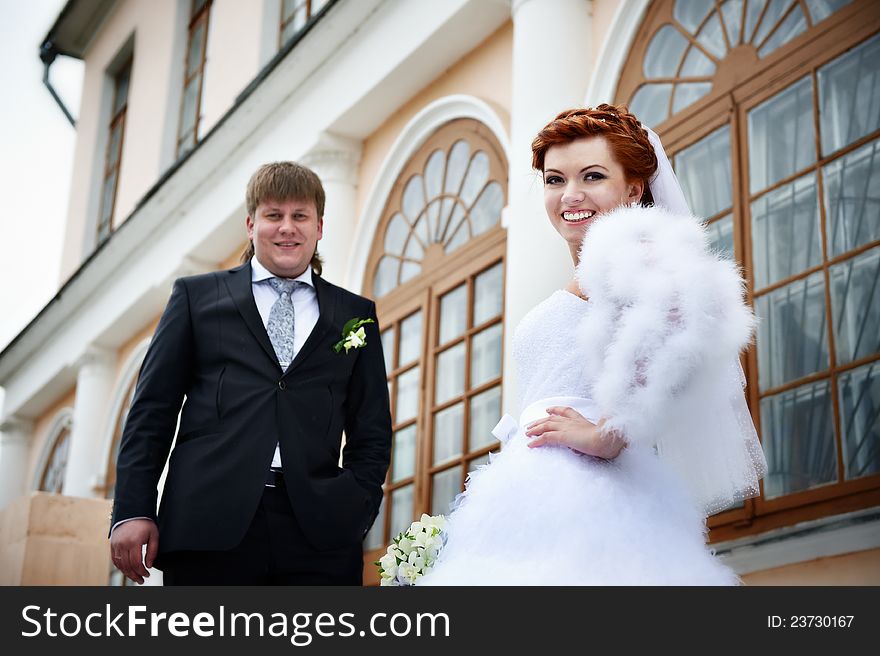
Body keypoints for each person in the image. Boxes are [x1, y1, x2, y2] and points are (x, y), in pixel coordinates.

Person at [417, 105, 767, 585]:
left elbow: (690, 320)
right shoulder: (596, 272)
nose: (570, 195)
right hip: (532, 497)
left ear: (633, 187)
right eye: (555, 179)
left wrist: (609, 434)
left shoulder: (640, 256)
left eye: (593, 176)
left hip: (591, 503)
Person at [110, 161, 392, 585]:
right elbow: (152, 410)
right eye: (273, 216)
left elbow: (372, 428)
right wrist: (133, 508)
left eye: (300, 216)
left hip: (319, 536)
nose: (286, 228)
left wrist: (357, 505)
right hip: (207, 524)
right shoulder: (195, 297)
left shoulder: (355, 315)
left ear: (319, 227)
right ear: (250, 223)